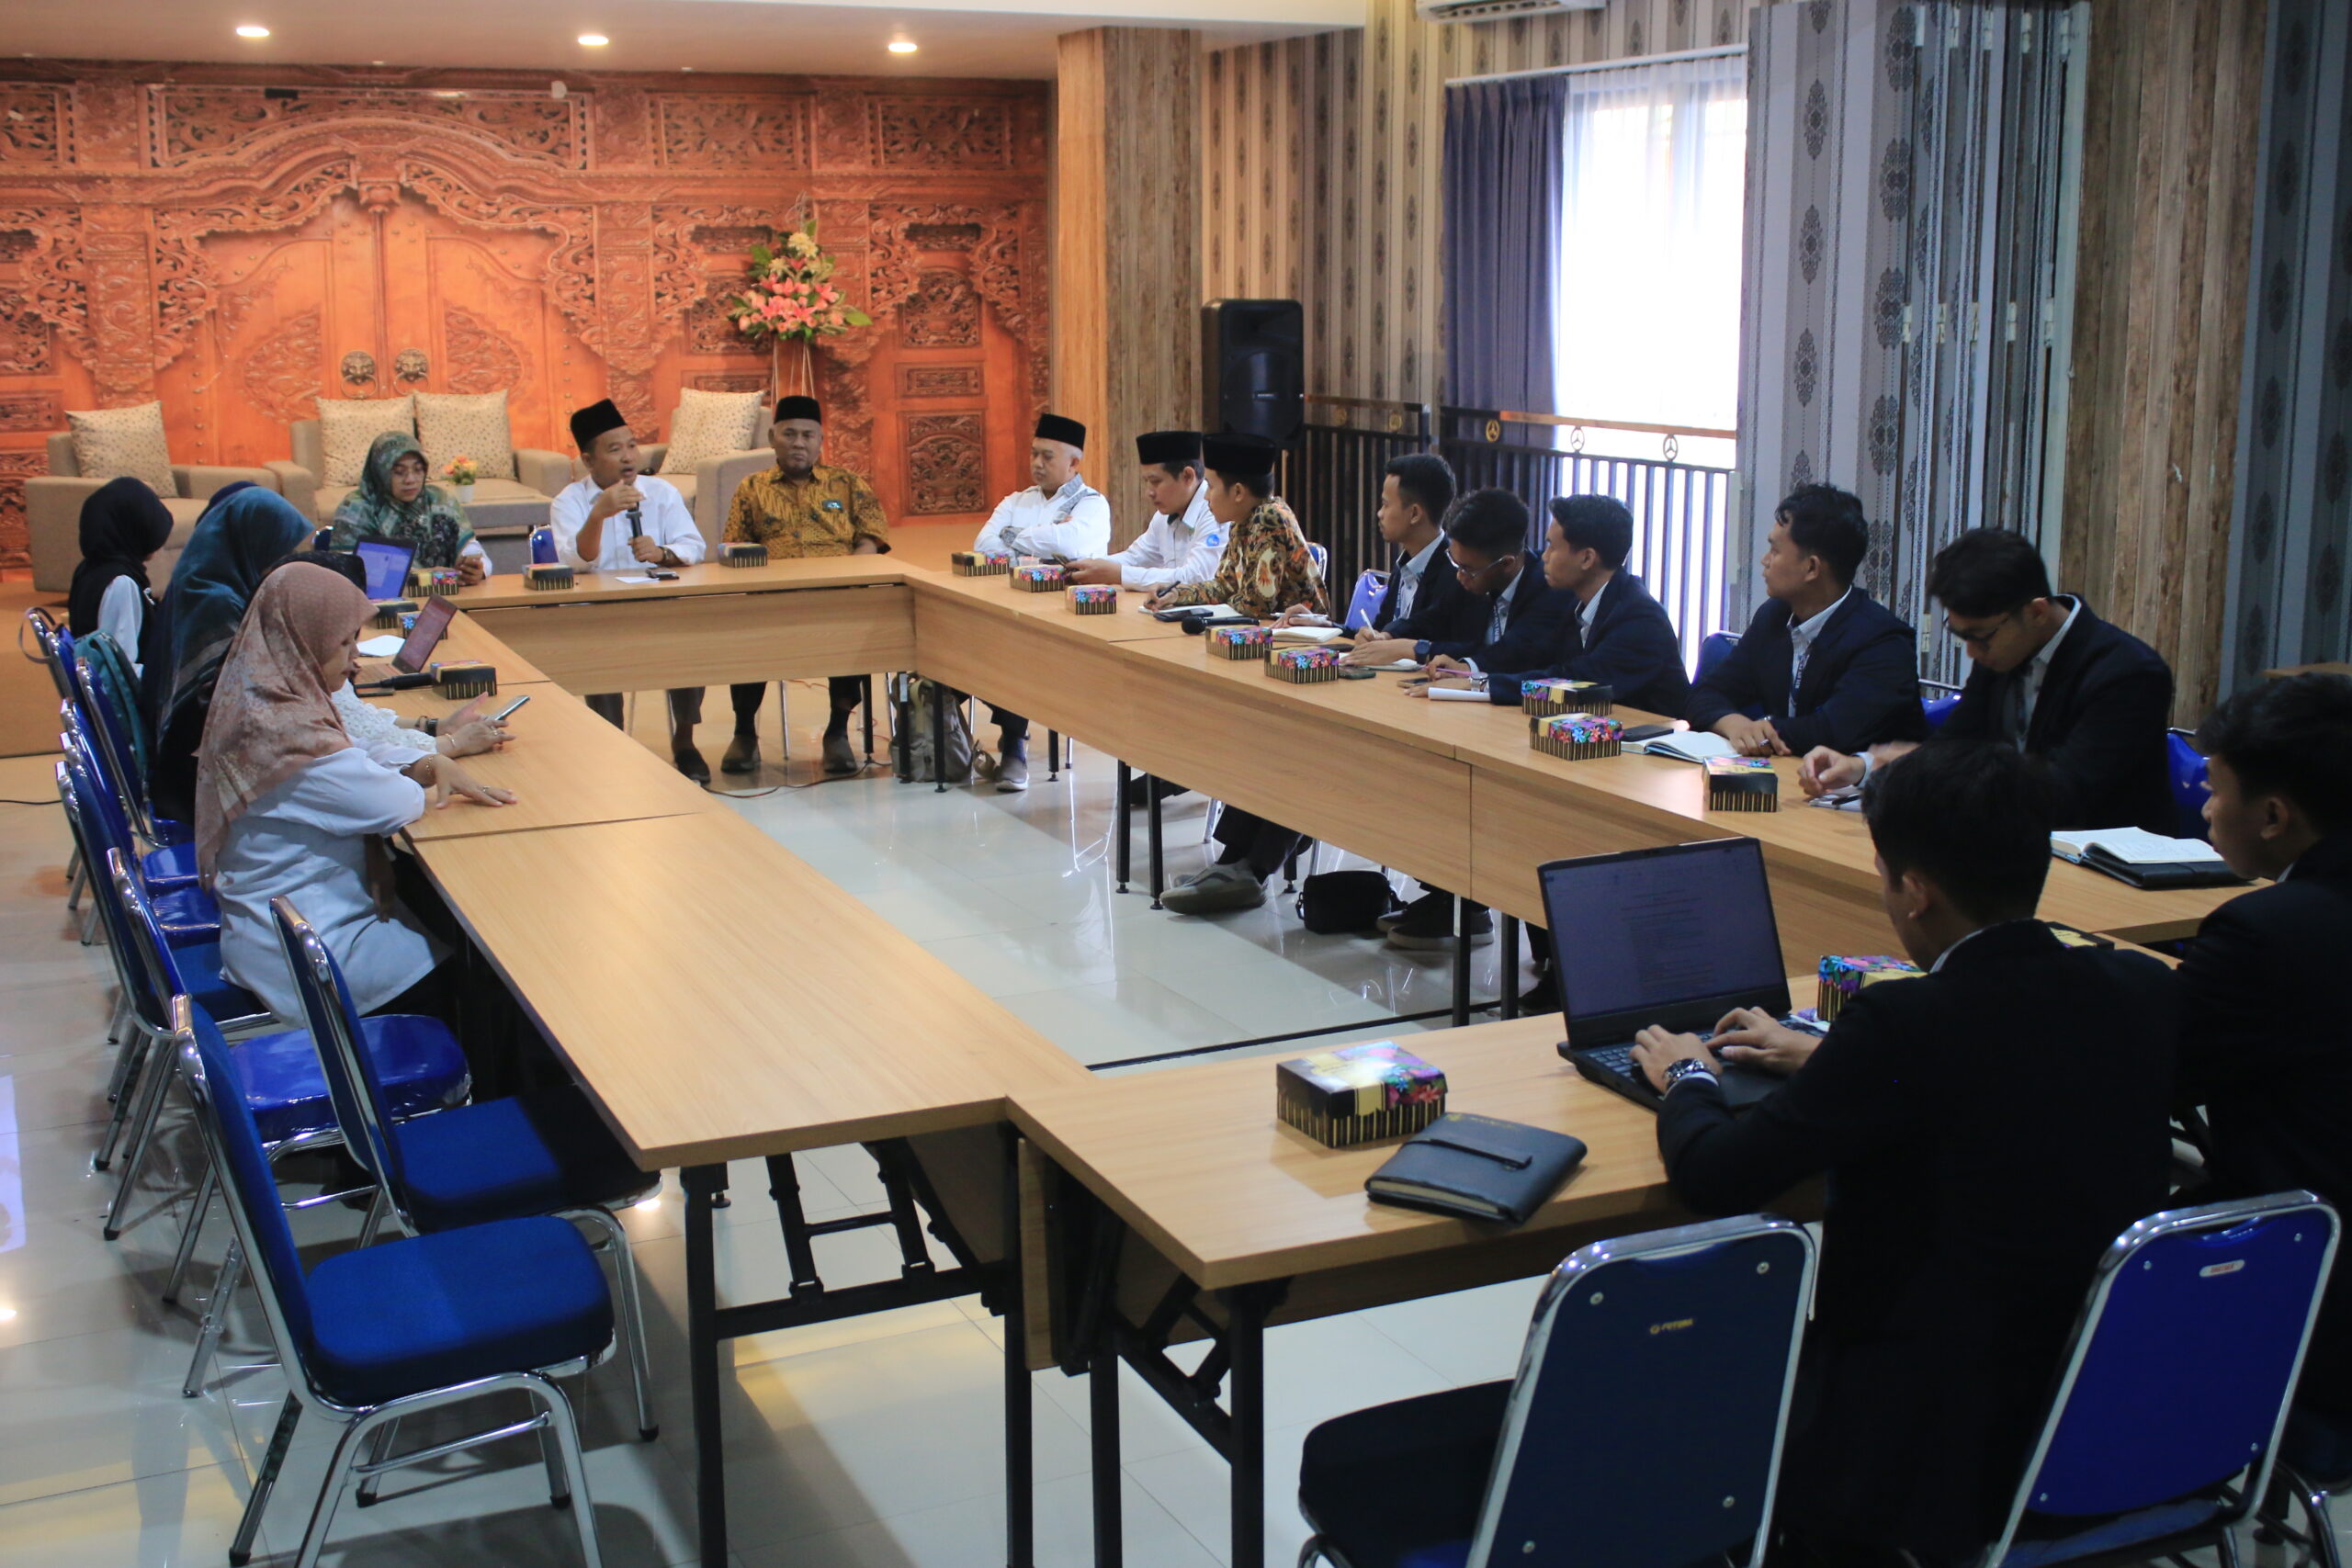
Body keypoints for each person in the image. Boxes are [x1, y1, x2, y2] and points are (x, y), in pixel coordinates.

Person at [1630, 742, 2177, 1564]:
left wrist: (1687, 1078)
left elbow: (1718, 1175)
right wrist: (1827, 1058)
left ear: (1914, 891)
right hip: (2100, 1390)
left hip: (1920, 1430)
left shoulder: (1905, 1024)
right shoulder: (2139, 987)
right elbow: (2005, 1070)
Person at [195, 563, 514, 1023]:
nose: (356, 657)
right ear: (303, 640)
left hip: (273, 921)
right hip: (311, 948)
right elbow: (392, 803)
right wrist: (428, 765)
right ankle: (472, 1085)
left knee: (437, 914)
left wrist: (424, 761)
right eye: (343, 643)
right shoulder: (286, 736)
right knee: (487, 972)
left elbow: (356, 749)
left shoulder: (268, 695)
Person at [2176, 673, 2352, 1420]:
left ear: (2274, 814)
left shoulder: (2265, 934)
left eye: (2213, 788)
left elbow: (2142, 1078)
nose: (2206, 807)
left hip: (2294, 1274)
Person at [1797, 527, 2176, 834]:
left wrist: (1938, 769)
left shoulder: (2128, 673)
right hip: (2011, 848)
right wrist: (1861, 767)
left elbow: (2068, 792)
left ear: (2037, 613)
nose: (1972, 653)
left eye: (1979, 636)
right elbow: (1954, 745)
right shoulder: (2004, 648)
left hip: (2104, 870)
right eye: (1961, 636)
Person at [1153, 433, 1329, 917]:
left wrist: (1206, 601)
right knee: (1258, 744)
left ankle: (1247, 870)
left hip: (1305, 657)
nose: (1206, 496)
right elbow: (1224, 586)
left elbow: (1257, 602)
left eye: (1211, 486)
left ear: (1237, 491)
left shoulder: (1270, 519)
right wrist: (1178, 595)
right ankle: (1235, 863)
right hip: (1266, 655)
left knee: (1278, 745)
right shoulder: (1244, 523)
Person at [1685, 483, 1928, 757]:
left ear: (1811, 567)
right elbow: (1703, 693)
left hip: (1866, 793)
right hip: (1793, 778)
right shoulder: (1774, 616)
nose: (1765, 561)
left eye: (1775, 551)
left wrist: (1764, 730)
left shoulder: (1882, 641)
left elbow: (1832, 733)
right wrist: (1735, 724)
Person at [718, 395, 889, 778]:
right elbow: (733, 545)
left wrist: (851, 577)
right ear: (772, 436)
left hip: (835, 595)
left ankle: (837, 732)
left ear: (821, 440)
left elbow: (871, 537)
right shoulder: (752, 487)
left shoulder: (846, 484)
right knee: (745, 632)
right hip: (771, 597)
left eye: (808, 435)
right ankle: (744, 732)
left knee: (851, 631)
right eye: (790, 434)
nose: (799, 443)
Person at [551, 398, 713, 782]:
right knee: (598, 646)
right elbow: (575, 561)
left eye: (631, 445)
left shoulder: (662, 492)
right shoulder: (568, 501)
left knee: (692, 639)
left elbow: (695, 546)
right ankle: (612, 744)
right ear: (589, 462)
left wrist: (662, 552)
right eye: (614, 449)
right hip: (601, 610)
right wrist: (599, 514)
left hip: (660, 605)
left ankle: (686, 741)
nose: (627, 457)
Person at [1417, 493, 1690, 720]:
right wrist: (1465, 670)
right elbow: (1532, 656)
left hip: (1651, 755)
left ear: (1586, 558)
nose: (1543, 556)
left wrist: (1478, 684)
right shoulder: (1573, 601)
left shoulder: (1639, 619)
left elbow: (1575, 681)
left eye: (1552, 547)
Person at [141, 485, 312, 823]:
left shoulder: (205, 578)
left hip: (200, 766)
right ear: (254, 544)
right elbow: (245, 708)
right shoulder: (215, 604)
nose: (286, 567)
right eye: (281, 553)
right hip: (199, 786)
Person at [969, 412, 1110, 791]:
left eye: (1048, 457)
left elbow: (1071, 545)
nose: (1037, 464)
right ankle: (987, 741)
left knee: (1016, 650)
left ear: (1073, 463)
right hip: (1013, 605)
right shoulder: (1017, 500)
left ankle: (1014, 746)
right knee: (971, 646)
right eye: (1034, 454)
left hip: (1067, 614)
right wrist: (1042, 538)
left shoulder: (1092, 504)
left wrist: (1013, 537)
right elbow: (984, 545)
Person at [1340, 489, 1567, 670]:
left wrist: (1416, 649)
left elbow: (1510, 654)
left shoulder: (1547, 588)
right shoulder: (1474, 576)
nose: (1459, 575)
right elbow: (1434, 617)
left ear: (1506, 564)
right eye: (1454, 562)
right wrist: (1388, 635)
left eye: (1467, 568)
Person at [1276, 452, 1464, 637]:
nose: (1379, 514)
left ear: (1414, 514)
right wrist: (1324, 625)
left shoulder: (1456, 573)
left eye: (1385, 504)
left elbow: (1454, 651)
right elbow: (1377, 635)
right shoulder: (1405, 565)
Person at [1067, 430, 1225, 592]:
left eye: (1156, 482)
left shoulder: (1215, 512)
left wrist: (1119, 575)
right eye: (1147, 482)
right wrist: (1086, 565)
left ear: (1187, 476)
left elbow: (1197, 578)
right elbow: (1136, 558)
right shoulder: (1163, 516)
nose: (1149, 492)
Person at [328, 431, 490, 584]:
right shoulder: (357, 508)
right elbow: (349, 572)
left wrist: (476, 569)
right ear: (381, 472)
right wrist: (427, 577)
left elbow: (476, 553)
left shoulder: (441, 500)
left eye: (418, 470)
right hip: (378, 606)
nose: (410, 479)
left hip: (444, 600)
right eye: (399, 472)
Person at [66, 476, 175, 672]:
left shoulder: (89, 569)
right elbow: (121, 671)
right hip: (130, 697)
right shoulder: (121, 583)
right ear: (135, 530)